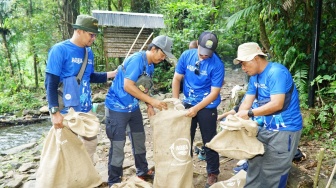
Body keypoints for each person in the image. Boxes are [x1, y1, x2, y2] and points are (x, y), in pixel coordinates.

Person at [104, 35, 175, 186]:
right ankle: (114, 180)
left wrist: (149, 106)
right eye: (162, 55)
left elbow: (144, 87)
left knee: (139, 139)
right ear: (154, 49)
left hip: (133, 107)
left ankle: (142, 171)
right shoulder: (137, 60)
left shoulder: (150, 65)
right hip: (117, 107)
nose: (163, 58)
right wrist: (152, 102)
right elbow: (128, 86)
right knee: (118, 145)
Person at [45, 14, 117, 160]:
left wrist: (113, 73)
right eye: (91, 34)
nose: (93, 38)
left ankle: (86, 175)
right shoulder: (59, 50)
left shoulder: (88, 52)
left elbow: (89, 77)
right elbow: (50, 83)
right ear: (79, 31)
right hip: (66, 109)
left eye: (95, 35)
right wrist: (54, 112)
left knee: (91, 142)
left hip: (86, 108)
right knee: (67, 147)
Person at [233, 42, 302, 188]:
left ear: (256, 58)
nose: (243, 68)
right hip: (264, 129)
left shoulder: (276, 72)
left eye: (244, 63)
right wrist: (236, 118)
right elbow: (247, 101)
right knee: (254, 166)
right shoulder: (254, 78)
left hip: (285, 131)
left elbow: (277, 104)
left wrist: (250, 113)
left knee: (273, 173)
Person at [172, 31, 225, 188]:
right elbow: (176, 78)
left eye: (207, 54)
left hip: (207, 105)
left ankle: (213, 172)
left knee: (209, 139)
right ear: (197, 44)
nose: (203, 56)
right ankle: (184, 169)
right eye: (201, 53)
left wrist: (197, 108)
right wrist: (176, 102)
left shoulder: (217, 64)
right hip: (187, 102)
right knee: (185, 137)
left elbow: (215, 92)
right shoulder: (186, 56)